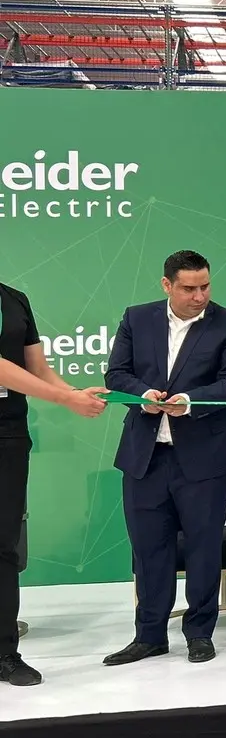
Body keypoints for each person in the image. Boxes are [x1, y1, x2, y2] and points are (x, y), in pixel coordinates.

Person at [103, 250, 226, 665]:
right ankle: (149, 635)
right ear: (167, 285)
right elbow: (116, 375)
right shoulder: (137, 318)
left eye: (205, 285)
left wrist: (190, 401)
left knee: (205, 548)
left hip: (206, 459)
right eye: (189, 288)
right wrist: (143, 397)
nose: (200, 295)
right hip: (145, 458)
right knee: (149, 549)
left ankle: (200, 633)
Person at [0, 282, 108, 686]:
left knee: (5, 547)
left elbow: (36, 368)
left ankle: (5, 654)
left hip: (8, 435)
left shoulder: (13, 299)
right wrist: (63, 401)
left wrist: (74, 392)